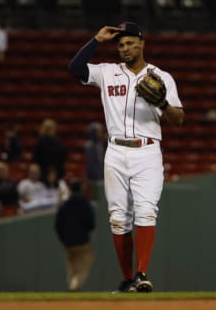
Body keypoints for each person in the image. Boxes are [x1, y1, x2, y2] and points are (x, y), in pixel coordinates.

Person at [68, 22, 184, 293]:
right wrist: (97, 40)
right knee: (118, 217)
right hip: (116, 151)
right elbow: (74, 68)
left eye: (130, 43)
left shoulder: (161, 77)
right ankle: (128, 278)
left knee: (145, 211)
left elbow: (179, 119)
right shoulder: (107, 72)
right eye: (120, 45)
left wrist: (163, 103)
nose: (125, 48)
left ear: (142, 43)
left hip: (147, 151)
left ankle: (142, 273)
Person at [55, 179, 95, 291]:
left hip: (68, 243)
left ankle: (72, 286)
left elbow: (58, 225)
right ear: (80, 188)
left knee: (71, 267)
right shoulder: (85, 203)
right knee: (83, 267)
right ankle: (74, 286)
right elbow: (91, 223)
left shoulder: (65, 205)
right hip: (82, 242)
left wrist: (64, 239)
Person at [32, 118, 67, 183]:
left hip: (42, 176)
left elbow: (35, 160)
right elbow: (63, 159)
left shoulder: (39, 142)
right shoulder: (59, 143)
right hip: (56, 175)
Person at [84, 122, 106, 199]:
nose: (101, 133)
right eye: (99, 131)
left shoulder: (102, 144)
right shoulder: (89, 146)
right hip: (93, 178)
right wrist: (92, 178)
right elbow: (90, 164)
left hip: (102, 176)